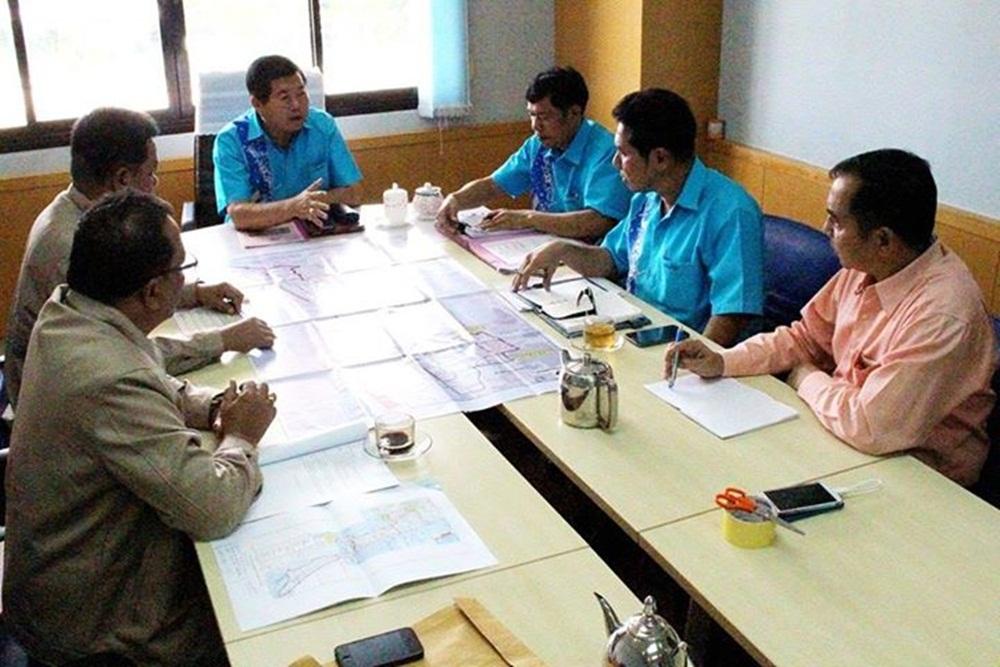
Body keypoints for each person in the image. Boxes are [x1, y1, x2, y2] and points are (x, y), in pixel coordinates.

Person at [3, 191, 275, 665]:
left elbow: (147, 368)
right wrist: (240, 437)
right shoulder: (108, 378)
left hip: (64, 576)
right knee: (257, 628)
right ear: (152, 292)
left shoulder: (70, 309)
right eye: (181, 269)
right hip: (91, 625)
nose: (185, 281)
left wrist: (213, 406)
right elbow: (212, 509)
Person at [665, 149, 997, 485]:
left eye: (836, 221)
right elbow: (804, 338)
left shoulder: (942, 314)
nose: (825, 229)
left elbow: (869, 426)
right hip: (845, 438)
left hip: (920, 477)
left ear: (883, 240)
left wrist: (805, 377)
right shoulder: (870, 264)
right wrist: (723, 360)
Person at [4, 107, 274, 409]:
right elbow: (128, 355)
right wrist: (223, 340)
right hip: (55, 402)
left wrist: (194, 294)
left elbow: (122, 293)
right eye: (150, 173)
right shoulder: (72, 247)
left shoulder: (70, 210)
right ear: (122, 179)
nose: (155, 184)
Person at [513, 88, 764, 346]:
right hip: (637, 332)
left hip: (683, 350)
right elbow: (611, 260)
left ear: (660, 158)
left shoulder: (731, 212)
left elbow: (732, 315)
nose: (615, 163)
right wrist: (562, 250)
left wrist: (692, 360)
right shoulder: (647, 199)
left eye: (623, 153)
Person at [436, 66, 630, 239]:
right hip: (547, 243)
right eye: (532, 115)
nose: (536, 126)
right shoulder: (539, 144)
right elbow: (494, 185)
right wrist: (456, 199)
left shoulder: (606, 152)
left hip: (589, 254)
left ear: (574, 113)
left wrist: (527, 218)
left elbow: (598, 222)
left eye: (544, 117)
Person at [213, 55, 362, 231]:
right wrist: (293, 207)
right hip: (257, 237)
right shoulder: (232, 140)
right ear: (257, 104)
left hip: (316, 229)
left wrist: (309, 202)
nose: (296, 105)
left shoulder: (322, 125)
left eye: (301, 93)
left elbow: (354, 192)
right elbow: (239, 215)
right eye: (284, 98)